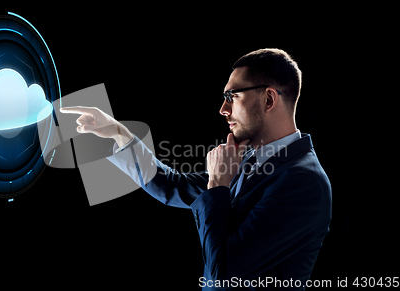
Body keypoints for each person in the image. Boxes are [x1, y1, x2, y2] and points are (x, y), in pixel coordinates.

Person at [60, 48, 332, 290]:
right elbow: (172, 186)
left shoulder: (304, 183)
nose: (223, 109)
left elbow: (223, 276)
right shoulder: (249, 158)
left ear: (269, 100)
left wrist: (218, 185)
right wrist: (118, 133)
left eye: (232, 96)